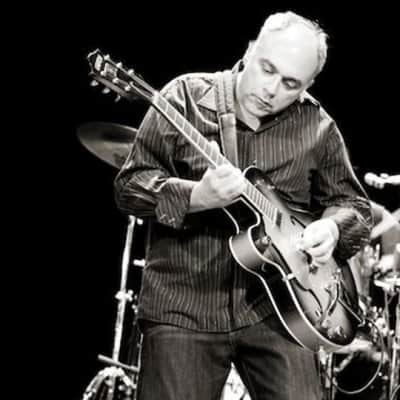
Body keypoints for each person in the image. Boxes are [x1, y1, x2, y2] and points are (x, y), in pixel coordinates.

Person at [114, 11, 373, 400]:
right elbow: (129, 187)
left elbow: (354, 206)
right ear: (250, 51)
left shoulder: (318, 126)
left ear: (308, 85)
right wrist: (196, 197)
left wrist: (333, 228)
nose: (271, 89)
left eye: (290, 83)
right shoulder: (183, 98)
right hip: (183, 305)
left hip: (280, 311)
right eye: (267, 69)